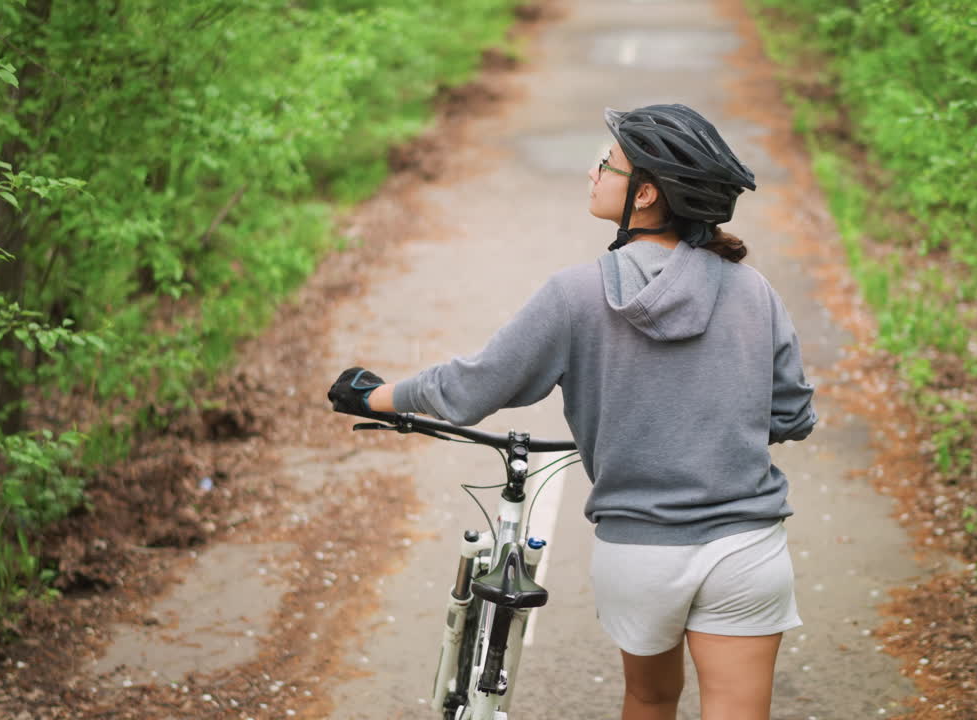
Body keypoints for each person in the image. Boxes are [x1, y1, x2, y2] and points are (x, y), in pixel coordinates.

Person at [328, 104, 817, 720]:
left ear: (644, 195)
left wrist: (373, 394)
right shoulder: (754, 290)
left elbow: (471, 388)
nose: (592, 172)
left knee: (649, 698)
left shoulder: (576, 295)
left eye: (607, 164)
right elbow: (793, 415)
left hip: (642, 552)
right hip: (748, 549)